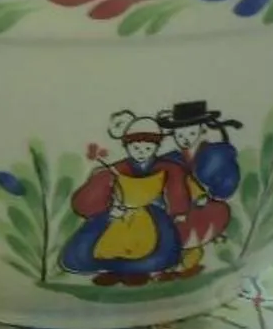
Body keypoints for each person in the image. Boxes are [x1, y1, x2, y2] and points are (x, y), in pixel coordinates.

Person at [59, 113, 193, 285]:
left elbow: (177, 189)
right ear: (128, 148)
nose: (141, 153)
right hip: (119, 213)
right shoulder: (116, 169)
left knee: (157, 246)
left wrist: (179, 210)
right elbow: (93, 194)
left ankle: (138, 273)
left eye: (147, 149)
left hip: (152, 216)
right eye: (136, 148)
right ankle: (112, 272)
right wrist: (107, 209)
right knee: (97, 245)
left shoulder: (167, 168)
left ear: (156, 148)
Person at [160, 100, 243, 277]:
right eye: (180, 134)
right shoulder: (172, 158)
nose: (185, 138)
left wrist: (210, 193)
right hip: (177, 209)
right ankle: (172, 265)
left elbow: (227, 183)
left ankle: (187, 266)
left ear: (202, 130)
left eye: (191, 132)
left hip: (206, 208)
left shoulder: (215, 154)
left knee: (193, 235)